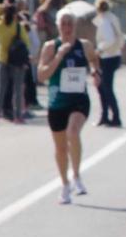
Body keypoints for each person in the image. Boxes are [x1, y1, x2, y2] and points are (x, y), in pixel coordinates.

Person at [39, 11, 98, 203]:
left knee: (73, 132)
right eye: (63, 24)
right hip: (57, 103)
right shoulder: (50, 47)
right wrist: (59, 56)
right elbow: (42, 75)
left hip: (79, 99)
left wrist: (96, 72)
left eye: (70, 24)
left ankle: (77, 175)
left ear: (75, 26)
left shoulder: (84, 45)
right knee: (61, 147)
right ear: (57, 26)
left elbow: (94, 60)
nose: (67, 28)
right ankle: (65, 184)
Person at [0, 0, 28, 123]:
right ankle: (18, 116)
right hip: (17, 61)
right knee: (17, 89)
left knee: (1, 88)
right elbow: (26, 43)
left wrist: (1, 7)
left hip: (2, 58)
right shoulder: (18, 27)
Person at [94, 0, 125, 127]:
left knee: (106, 87)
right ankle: (105, 115)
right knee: (103, 87)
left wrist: (99, 49)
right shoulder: (111, 18)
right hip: (114, 55)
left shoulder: (105, 21)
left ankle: (115, 116)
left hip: (107, 57)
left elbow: (109, 40)